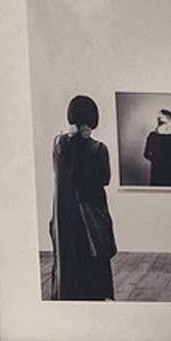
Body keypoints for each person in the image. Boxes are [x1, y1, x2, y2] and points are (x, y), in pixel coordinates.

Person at [49, 94, 116, 301]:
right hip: (91, 214)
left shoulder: (59, 144)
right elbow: (105, 179)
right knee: (94, 262)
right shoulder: (99, 149)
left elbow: (64, 176)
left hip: (65, 216)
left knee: (70, 261)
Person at [143, 108, 171, 186]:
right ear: (169, 120)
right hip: (170, 172)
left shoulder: (152, 136)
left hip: (157, 171)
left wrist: (156, 159)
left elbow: (146, 154)